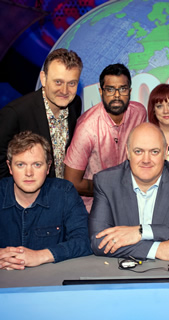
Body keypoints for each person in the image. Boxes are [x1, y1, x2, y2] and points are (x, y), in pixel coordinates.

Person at [89, 123, 169, 261]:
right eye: (138, 151)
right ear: (128, 152)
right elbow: (98, 241)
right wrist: (157, 249)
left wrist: (143, 231)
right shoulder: (106, 182)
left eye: (154, 152)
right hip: (122, 274)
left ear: (165, 152)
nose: (146, 160)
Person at [0, 131, 92, 270]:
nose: (29, 173)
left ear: (48, 167)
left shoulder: (64, 193)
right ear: (9, 167)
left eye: (37, 164)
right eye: (20, 165)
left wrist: (40, 256)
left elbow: (85, 240)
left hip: (52, 282)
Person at [64, 63, 146, 212]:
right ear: (101, 92)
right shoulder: (87, 128)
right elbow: (72, 182)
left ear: (130, 91)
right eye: (110, 89)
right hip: (94, 206)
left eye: (122, 89)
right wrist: (112, 187)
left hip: (131, 202)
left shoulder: (139, 113)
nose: (116, 95)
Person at [0, 48, 83, 179]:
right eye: (58, 82)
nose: (64, 90)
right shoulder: (14, 114)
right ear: (43, 79)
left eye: (72, 83)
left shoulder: (75, 104)